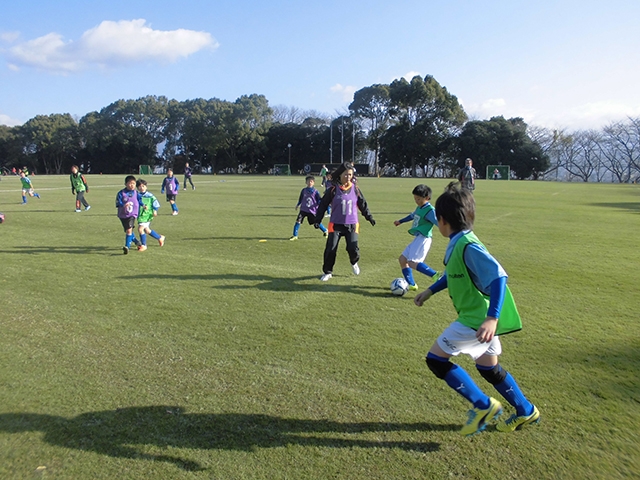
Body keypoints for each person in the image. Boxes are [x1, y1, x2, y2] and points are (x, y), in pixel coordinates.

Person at [413, 182, 539, 436]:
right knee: (489, 369)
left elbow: (498, 276)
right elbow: (454, 274)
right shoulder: (460, 241)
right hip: (478, 318)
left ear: (442, 220)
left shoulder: (469, 246)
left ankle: (483, 406)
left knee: (436, 360)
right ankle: (526, 409)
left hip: (476, 320)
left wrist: (492, 318)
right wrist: (430, 291)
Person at [314, 162, 375, 281]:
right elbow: (323, 205)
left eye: (350, 175)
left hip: (352, 224)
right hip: (335, 224)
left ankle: (354, 262)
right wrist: (318, 219)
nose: (348, 177)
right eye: (346, 175)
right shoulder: (332, 189)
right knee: (331, 248)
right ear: (340, 175)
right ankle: (328, 272)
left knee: (353, 248)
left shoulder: (355, 189)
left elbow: (362, 204)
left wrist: (369, 217)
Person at [393, 184, 439, 291]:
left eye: (418, 199)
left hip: (424, 239)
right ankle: (412, 284)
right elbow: (412, 215)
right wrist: (400, 221)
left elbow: (438, 222)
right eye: (415, 198)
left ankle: (436, 275)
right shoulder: (420, 207)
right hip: (418, 238)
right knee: (402, 259)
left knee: (413, 262)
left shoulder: (430, 211)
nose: (416, 201)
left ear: (427, 198)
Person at [290, 175, 328, 241]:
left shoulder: (315, 192)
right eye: (308, 181)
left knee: (316, 223)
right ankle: (295, 235)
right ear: (306, 182)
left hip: (312, 211)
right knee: (298, 222)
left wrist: (321, 206)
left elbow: (319, 200)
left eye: (311, 181)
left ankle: (325, 230)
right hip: (303, 210)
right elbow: (301, 198)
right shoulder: (303, 190)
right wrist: (298, 204)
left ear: (313, 183)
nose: (309, 183)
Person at [136, 179, 166, 251]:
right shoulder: (137, 195)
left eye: (143, 186)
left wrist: (155, 210)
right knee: (147, 230)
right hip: (140, 215)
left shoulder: (150, 196)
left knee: (140, 229)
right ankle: (160, 237)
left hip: (147, 214)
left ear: (146, 187)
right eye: (140, 186)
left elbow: (156, 203)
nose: (141, 188)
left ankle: (144, 245)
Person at [115, 175, 143, 254]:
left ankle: (127, 247)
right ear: (125, 184)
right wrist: (123, 205)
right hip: (122, 215)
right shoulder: (121, 193)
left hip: (132, 215)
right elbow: (118, 202)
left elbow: (139, 200)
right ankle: (137, 242)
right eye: (130, 183)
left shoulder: (136, 193)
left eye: (133, 183)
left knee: (129, 230)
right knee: (128, 231)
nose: (132, 185)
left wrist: (143, 205)